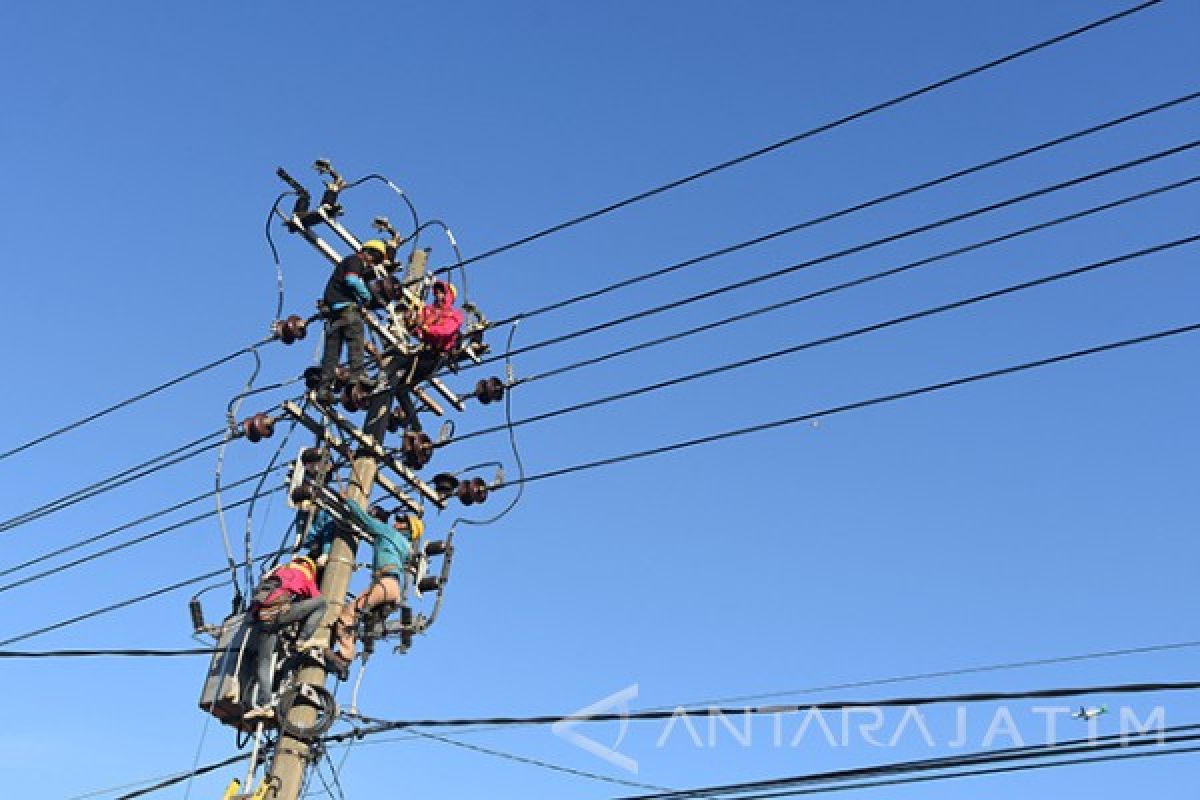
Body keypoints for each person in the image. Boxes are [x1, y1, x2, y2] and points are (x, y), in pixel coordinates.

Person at [326, 500, 423, 672]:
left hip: (383, 584)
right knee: (358, 621)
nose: (396, 523)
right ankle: (346, 647)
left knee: (347, 614)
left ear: (406, 528)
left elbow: (364, 519)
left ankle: (345, 657)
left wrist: (348, 499)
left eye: (400, 522)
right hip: (394, 589)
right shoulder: (406, 548)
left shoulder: (387, 533)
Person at [243, 556, 327, 721]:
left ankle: (264, 705)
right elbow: (315, 597)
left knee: (264, 663)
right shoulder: (304, 574)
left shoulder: (276, 574)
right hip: (279, 615)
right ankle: (303, 640)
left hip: (262, 621)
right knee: (322, 603)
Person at [316, 240, 390, 405]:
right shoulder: (354, 261)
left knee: (331, 355)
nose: (373, 263)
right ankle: (357, 378)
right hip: (348, 313)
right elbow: (352, 281)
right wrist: (367, 297)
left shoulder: (347, 264)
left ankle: (324, 389)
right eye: (375, 258)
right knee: (355, 346)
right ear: (368, 252)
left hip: (334, 316)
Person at [391, 279, 465, 431]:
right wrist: (413, 324)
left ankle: (376, 386)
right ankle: (415, 427)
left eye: (441, 292)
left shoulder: (454, 315)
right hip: (425, 353)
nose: (438, 295)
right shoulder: (429, 311)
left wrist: (425, 328)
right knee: (400, 388)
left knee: (398, 363)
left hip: (436, 358)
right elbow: (420, 332)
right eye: (436, 292)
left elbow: (445, 331)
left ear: (448, 296)